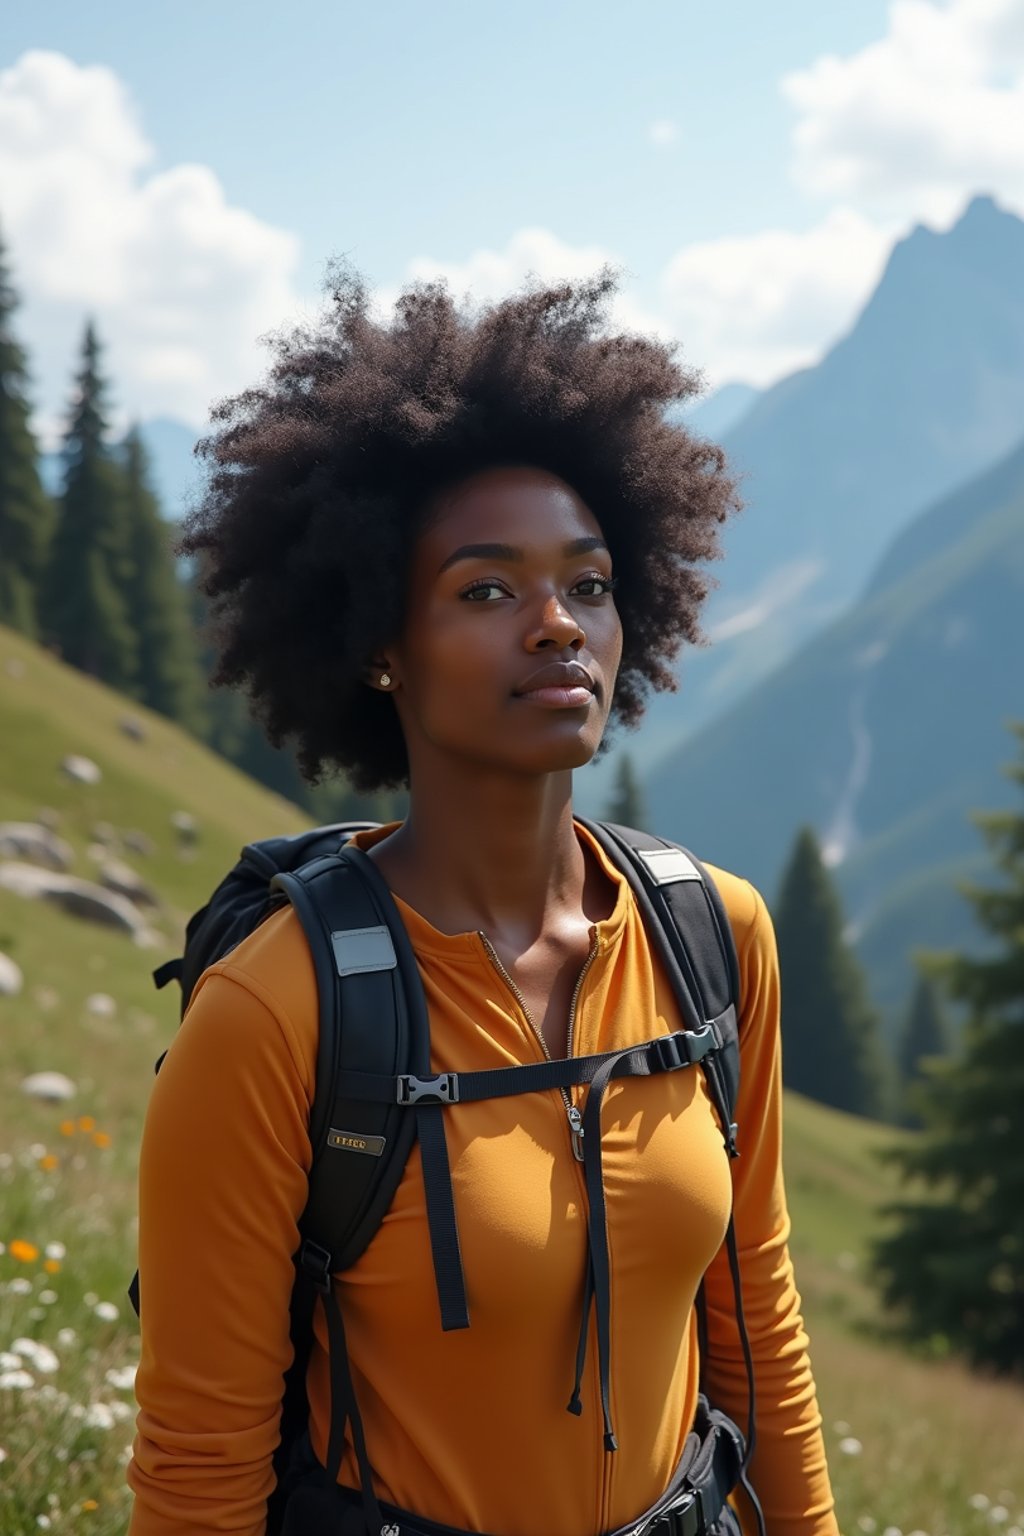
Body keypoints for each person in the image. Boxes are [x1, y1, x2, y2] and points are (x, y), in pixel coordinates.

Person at [127, 271, 839, 1536]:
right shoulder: (275, 1010)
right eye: (486, 590)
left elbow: (758, 1338)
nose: (559, 625)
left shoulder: (711, 939)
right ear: (377, 644)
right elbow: (197, 1471)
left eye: (591, 583)